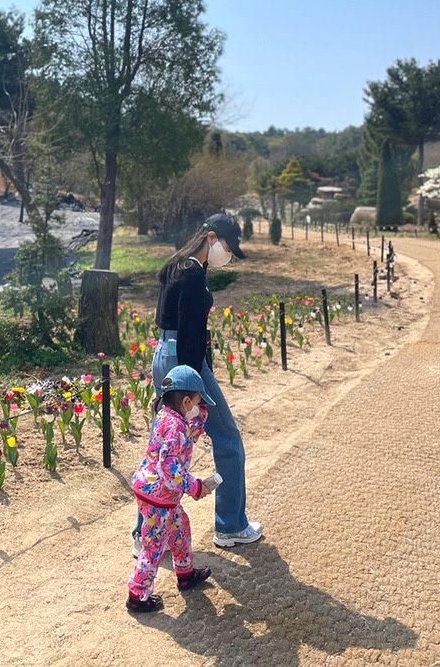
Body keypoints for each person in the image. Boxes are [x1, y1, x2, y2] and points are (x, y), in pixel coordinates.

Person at [132, 213, 263, 553]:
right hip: (185, 361)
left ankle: (145, 537)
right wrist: (192, 393)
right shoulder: (193, 275)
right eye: (227, 246)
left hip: (164, 353)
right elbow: (190, 335)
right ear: (211, 238)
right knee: (228, 440)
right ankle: (231, 526)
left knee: (161, 445)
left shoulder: (179, 263)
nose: (228, 254)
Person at [126, 364, 216, 613]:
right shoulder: (175, 427)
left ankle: (185, 573)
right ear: (187, 401)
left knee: (180, 527)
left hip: (157, 493)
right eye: (198, 401)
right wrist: (195, 486)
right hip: (158, 496)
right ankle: (137, 594)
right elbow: (169, 470)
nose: (199, 406)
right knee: (154, 545)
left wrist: (201, 414)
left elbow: (192, 431)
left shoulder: (166, 415)